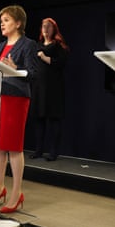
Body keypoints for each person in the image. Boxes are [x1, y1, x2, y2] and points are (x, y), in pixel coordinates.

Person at [0, 5, 37, 213]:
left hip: (17, 99)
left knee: (14, 148)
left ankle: (16, 193)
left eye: (7, 20)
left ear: (18, 23)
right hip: (1, 97)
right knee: (0, 147)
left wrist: (16, 69)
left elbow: (34, 74)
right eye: (1, 20)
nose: (2, 23)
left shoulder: (28, 44)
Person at [29, 17, 69, 161]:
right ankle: (38, 151)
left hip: (53, 89)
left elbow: (62, 63)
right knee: (39, 119)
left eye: (49, 26)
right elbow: (32, 65)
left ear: (54, 29)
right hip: (38, 88)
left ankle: (53, 153)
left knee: (53, 120)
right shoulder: (37, 46)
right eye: (43, 26)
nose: (45, 29)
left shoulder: (58, 46)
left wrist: (46, 58)